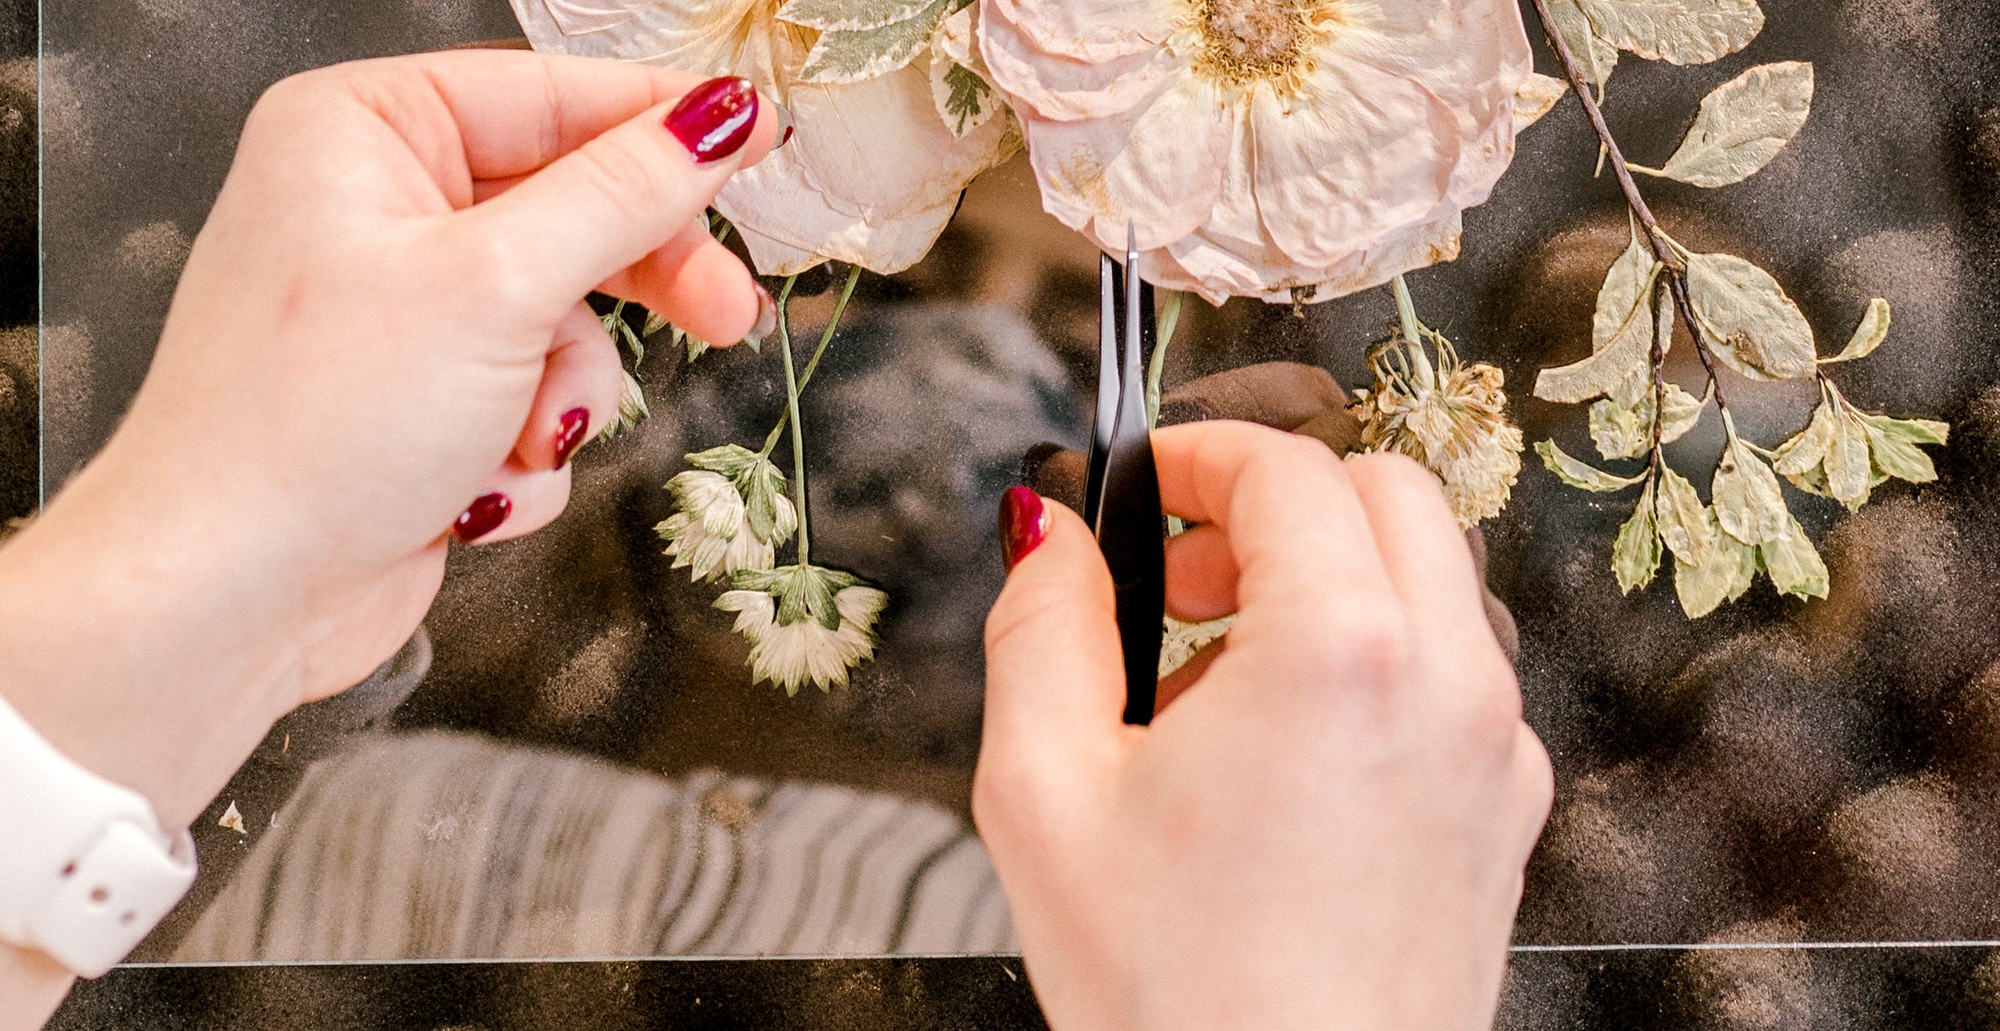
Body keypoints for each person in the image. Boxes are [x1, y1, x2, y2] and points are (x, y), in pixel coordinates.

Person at [0, 52, 1552, 1031]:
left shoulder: (1024, 956)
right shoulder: (378, 816)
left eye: (1074, 328)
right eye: (913, 273)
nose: (967, 367)